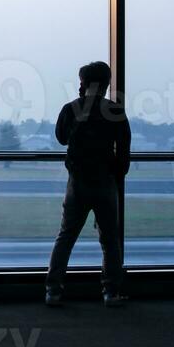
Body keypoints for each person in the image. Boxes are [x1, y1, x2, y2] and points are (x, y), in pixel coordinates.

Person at [46, 61, 131, 307]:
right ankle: (111, 291)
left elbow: (62, 138)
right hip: (105, 181)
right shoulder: (115, 111)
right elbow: (123, 151)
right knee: (109, 240)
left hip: (78, 181)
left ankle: (54, 289)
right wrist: (115, 176)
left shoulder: (71, 109)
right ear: (106, 85)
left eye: (81, 82)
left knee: (66, 236)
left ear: (84, 84)